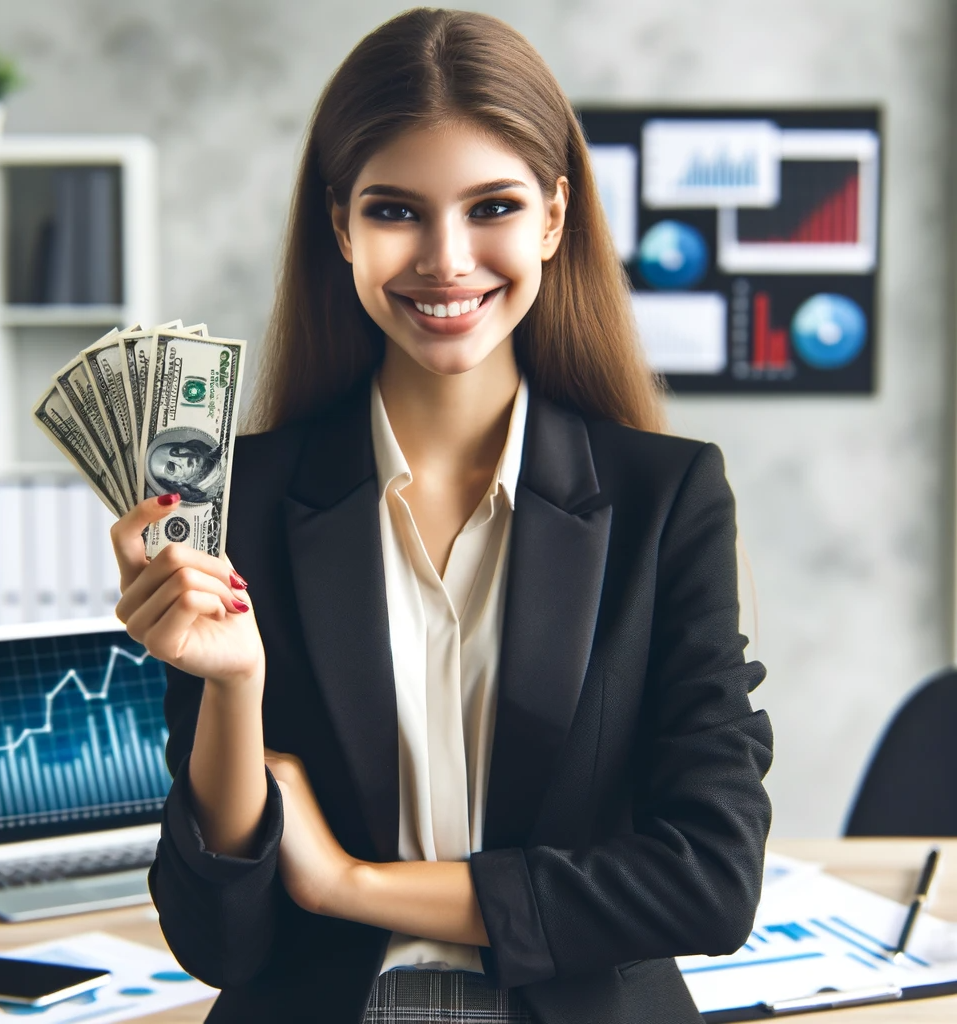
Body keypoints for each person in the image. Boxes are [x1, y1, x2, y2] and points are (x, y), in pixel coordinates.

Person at [110, 8, 773, 1023]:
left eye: (492, 206)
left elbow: (709, 880)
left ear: (553, 217)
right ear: (341, 226)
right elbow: (218, 942)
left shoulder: (666, 499)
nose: (446, 259)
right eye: (397, 212)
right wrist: (233, 688)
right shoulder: (233, 498)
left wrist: (350, 885)